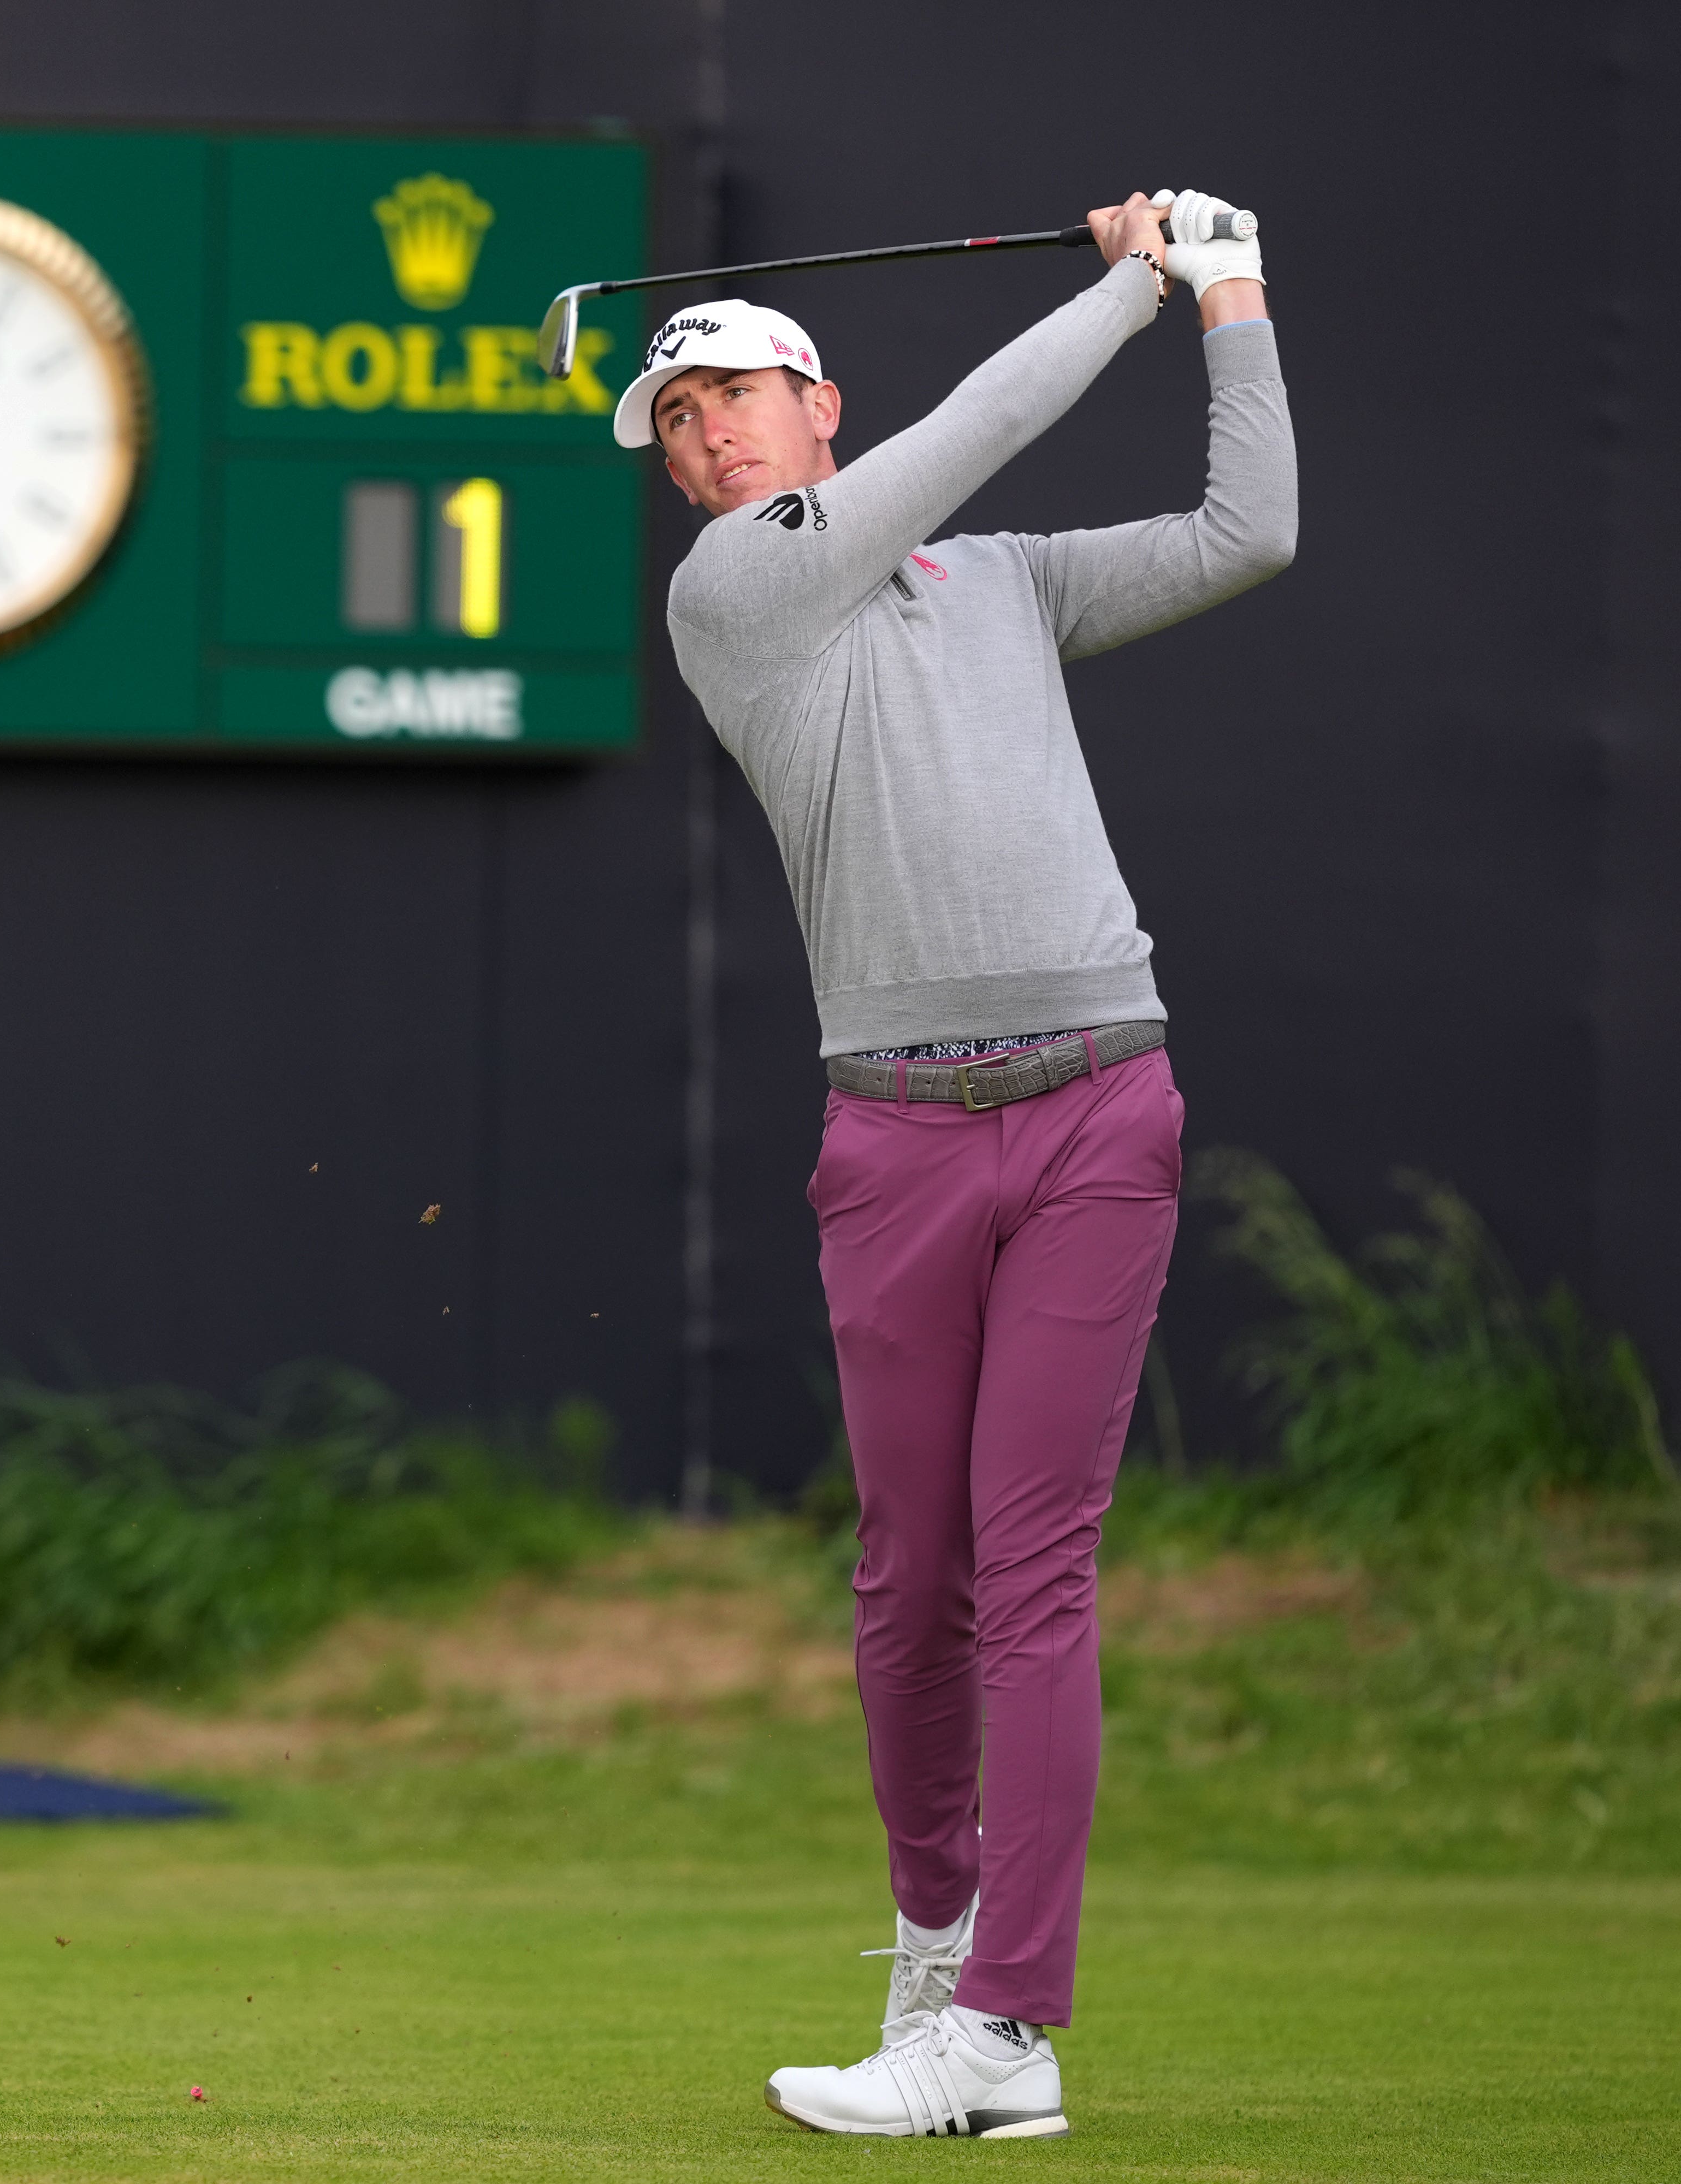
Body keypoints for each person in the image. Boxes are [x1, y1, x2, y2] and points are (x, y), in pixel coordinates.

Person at [628, 188, 1292, 2138]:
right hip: (896, 1132)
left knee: (1031, 1570)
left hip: (1100, 1103)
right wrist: (1125, 285)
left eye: (736, 394)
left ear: (817, 399)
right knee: (906, 1578)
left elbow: (1247, 532)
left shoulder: (998, 582)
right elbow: (981, 426)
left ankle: (1005, 2019)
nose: (708, 435)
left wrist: (1227, 294)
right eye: (676, 423)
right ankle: (937, 1951)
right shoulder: (731, 594)